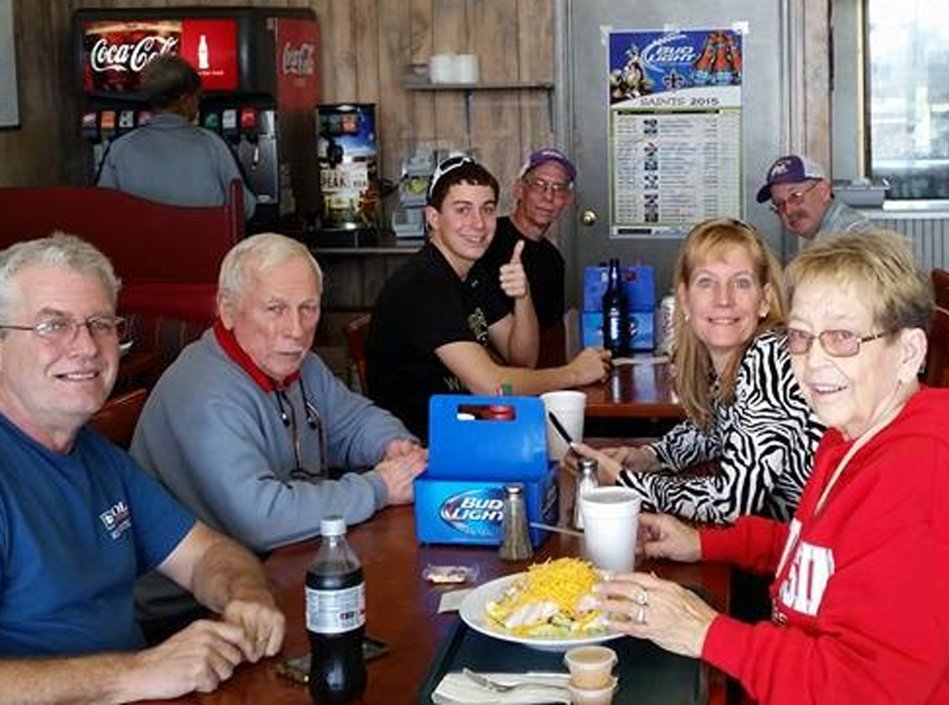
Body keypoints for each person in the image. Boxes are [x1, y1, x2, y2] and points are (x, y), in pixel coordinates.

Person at [594, 229, 949, 703]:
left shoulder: (926, 480)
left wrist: (707, 633)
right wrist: (700, 542)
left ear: (909, 353)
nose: (814, 361)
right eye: (800, 336)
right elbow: (820, 555)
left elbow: (861, 689)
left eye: (842, 337)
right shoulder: (849, 436)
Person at [0, 234, 284, 701]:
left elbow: (207, 556)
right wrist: (136, 673)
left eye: (101, 324)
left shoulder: (98, 456)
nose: (87, 347)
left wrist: (244, 596)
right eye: (53, 326)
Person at [131, 233, 425, 631]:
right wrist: (379, 487)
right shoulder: (203, 391)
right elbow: (262, 517)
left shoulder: (298, 365)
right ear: (228, 309)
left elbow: (355, 421)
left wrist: (395, 447)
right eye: (275, 309)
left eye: (308, 308)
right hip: (193, 615)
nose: (296, 329)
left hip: (285, 570)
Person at [572, 218, 823, 523]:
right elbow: (712, 430)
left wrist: (625, 482)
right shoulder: (734, 361)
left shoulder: (770, 358)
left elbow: (733, 501)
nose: (723, 299)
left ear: (764, 301)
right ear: (685, 301)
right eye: (706, 282)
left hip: (836, 553)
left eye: (741, 282)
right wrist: (651, 457)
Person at [367, 156, 610, 438]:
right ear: (433, 218)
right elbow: (491, 385)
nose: (478, 223)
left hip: (468, 426)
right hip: (424, 446)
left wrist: (522, 296)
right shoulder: (423, 284)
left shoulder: (471, 274)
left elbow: (522, 358)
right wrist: (574, 374)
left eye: (487, 209)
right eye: (462, 210)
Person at [97, 54, 257, 219]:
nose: (199, 103)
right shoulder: (213, 145)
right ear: (185, 99)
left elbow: (103, 210)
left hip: (138, 244)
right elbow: (245, 209)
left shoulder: (119, 149)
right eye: (198, 97)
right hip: (203, 244)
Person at [478, 148, 576, 366]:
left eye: (558, 189)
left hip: (526, 374)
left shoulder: (553, 260)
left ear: (567, 200)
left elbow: (550, 336)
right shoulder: (484, 240)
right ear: (519, 190)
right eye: (539, 185)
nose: (548, 197)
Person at [755, 154, 868, 241]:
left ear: (824, 191)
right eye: (779, 204)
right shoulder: (826, 235)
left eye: (795, 196)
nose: (788, 211)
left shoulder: (849, 240)